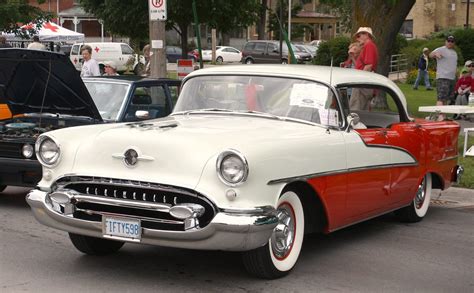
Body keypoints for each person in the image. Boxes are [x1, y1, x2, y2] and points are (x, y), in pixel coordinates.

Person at [349, 27, 379, 111]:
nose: (357, 38)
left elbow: (369, 65)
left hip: (362, 84)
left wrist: (359, 81)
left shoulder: (369, 45)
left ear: (366, 35)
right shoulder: (368, 46)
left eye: (359, 35)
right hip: (365, 83)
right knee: (363, 111)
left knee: (355, 111)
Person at [429, 35, 458, 107]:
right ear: (445, 42)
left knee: (446, 99)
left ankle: (442, 116)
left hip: (452, 78)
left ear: (454, 43)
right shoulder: (441, 49)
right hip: (443, 77)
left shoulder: (454, 53)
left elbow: (454, 65)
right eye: (448, 41)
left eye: (452, 41)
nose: (450, 42)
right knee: (441, 98)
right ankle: (440, 116)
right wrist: (435, 54)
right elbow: (430, 55)